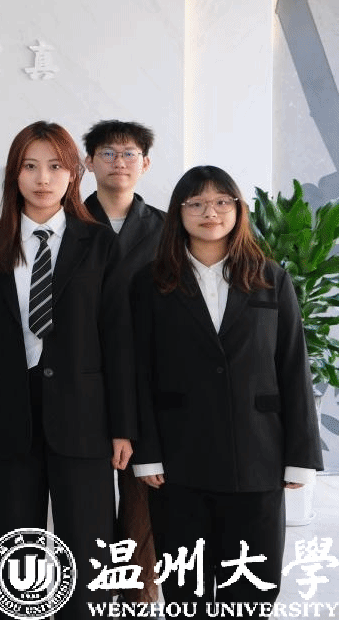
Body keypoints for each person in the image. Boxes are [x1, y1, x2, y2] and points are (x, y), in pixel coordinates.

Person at [0, 121, 134, 620]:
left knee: (89, 539)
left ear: (74, 173)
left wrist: (123, 426)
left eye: (56, 166)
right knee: (17, 546)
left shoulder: (100, 244)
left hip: (85, 415)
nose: (43, 179)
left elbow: (118, 340)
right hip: (9, 414)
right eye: (31, 166)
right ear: (13, 174)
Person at [131, 166, 322, 606]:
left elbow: (293, 367)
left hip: (257, 456)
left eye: (221, 202)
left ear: (238, 209)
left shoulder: (270, 278)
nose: (210, 212)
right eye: (196, 203)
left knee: (253, 588)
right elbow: (139, 371)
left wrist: (300, 457)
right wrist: (147, 453)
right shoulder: (152, 282)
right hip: (179, 460)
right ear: (179, 212)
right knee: (187, 589)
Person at [82, 119, 165, 604]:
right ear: (89, 163)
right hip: (85, 376)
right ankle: (91, 594)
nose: (119, 162)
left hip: (148, 375)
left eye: (129, 153)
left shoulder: (167, 227)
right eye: (108, 153)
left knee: (143, 490)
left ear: (145, 163)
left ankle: (138, 593)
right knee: (87, 495)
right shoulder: (68, 221)